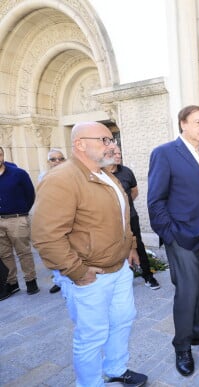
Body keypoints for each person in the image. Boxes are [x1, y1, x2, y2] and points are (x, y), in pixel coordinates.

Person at [31, 122, 147, 387]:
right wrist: (78, 272)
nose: (112, 145)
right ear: (80, 144)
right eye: (104, 140)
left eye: (112, 140)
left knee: (122, 320)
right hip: (90, 276)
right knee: (92, 335)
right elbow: (46, 236)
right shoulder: (61, 178)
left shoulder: (108, 175)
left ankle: (117, 368)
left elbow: (123, 217)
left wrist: (130, 247)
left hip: (119, 270)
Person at [148, 105, 199, 377]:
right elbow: (156, 200)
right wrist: (170, 234)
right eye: (197, 122)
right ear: (182, 124)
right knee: (187, 291)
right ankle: (182, 345)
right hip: (181, 235)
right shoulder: (165, 153)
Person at [108, 145, 160, 290]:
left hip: (131, 218)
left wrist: (125, 206)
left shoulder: (126, 172)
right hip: (111, 222)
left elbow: (134, 192)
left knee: (138, 246)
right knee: (115, 248)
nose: (118, 156)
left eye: (120, 153)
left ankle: (148, 276)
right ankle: (121, 278)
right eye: (114, 153)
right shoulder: (101, 173)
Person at [0, 146, 38, 300]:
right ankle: (12, 283)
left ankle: (31, 281)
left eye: (0, 154)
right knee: (4, 254)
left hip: (17, 218)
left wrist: (21, 212)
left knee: (24, 252)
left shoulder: (18, 174)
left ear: (3, 155)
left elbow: (30, 195)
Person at [37, 148, 67, 294]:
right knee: (55, 251)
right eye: (53, 159)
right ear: (48, 162)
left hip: (69, 219)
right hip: (52, 221)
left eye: (61, 159)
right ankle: (58, 280)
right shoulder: (43, 177)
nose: (57, 162)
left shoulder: (72, 175)